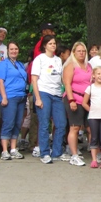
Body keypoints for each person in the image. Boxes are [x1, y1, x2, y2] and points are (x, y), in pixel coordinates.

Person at [31, 34, 65, 164]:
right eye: (50, 43)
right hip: (43, 92)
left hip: (56, 95)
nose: (53, 45)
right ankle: (44, 152)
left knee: (61, 124)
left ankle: (56, 152)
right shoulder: (40, 59)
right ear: (45, 45)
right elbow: (34, 80)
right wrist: (38, 98)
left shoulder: (58, 60)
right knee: (44, 124)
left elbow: (60, 78)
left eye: (54, 43)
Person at [0, 41, 28, 160]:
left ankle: (13, 148)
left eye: (16, 49)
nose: (14, 51)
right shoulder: (3, 64)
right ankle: (5, 150)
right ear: (7, 51)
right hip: (9, 96)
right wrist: (4, 97)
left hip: (21, 96)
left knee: (17, 123)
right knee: (8, 122)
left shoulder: (20, 64)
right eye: (11, 49)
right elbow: (0, 81)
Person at [62, 42, 92, 167]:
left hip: (87, 100)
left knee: (90, 127)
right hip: (74, 97)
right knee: (74, 127)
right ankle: (74, 155)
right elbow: (67, 84)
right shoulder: (70, 65)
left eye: (83, 51)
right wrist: (71, 100)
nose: (81, 53)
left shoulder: (88, 65)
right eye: (79, 51)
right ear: (74, 52)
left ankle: (95, 153)